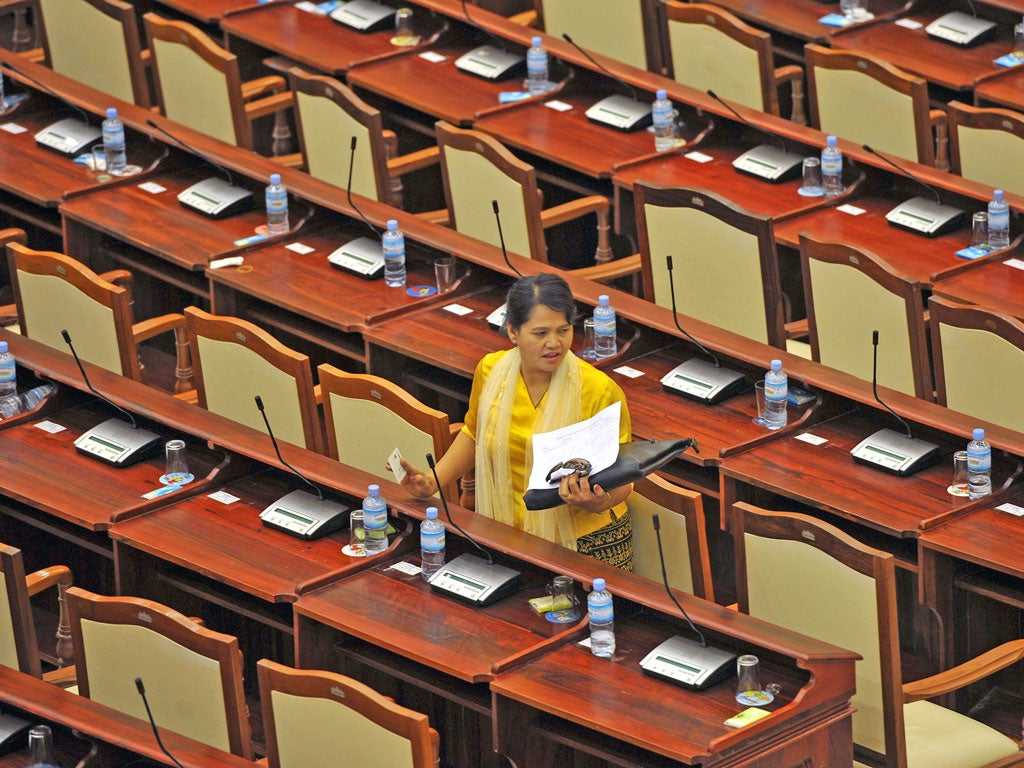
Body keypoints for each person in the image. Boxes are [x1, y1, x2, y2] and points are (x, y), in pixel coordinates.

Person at [399, 273, 634, 569]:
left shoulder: (598, 391)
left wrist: (599, 501)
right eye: (540, 333)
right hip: (507, 530)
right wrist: (432, 481)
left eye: (563, 330)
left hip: (587, 541)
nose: (554, 344)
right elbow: (475, 433)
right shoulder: (491, 370)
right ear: (512, 331)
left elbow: (625, 477)